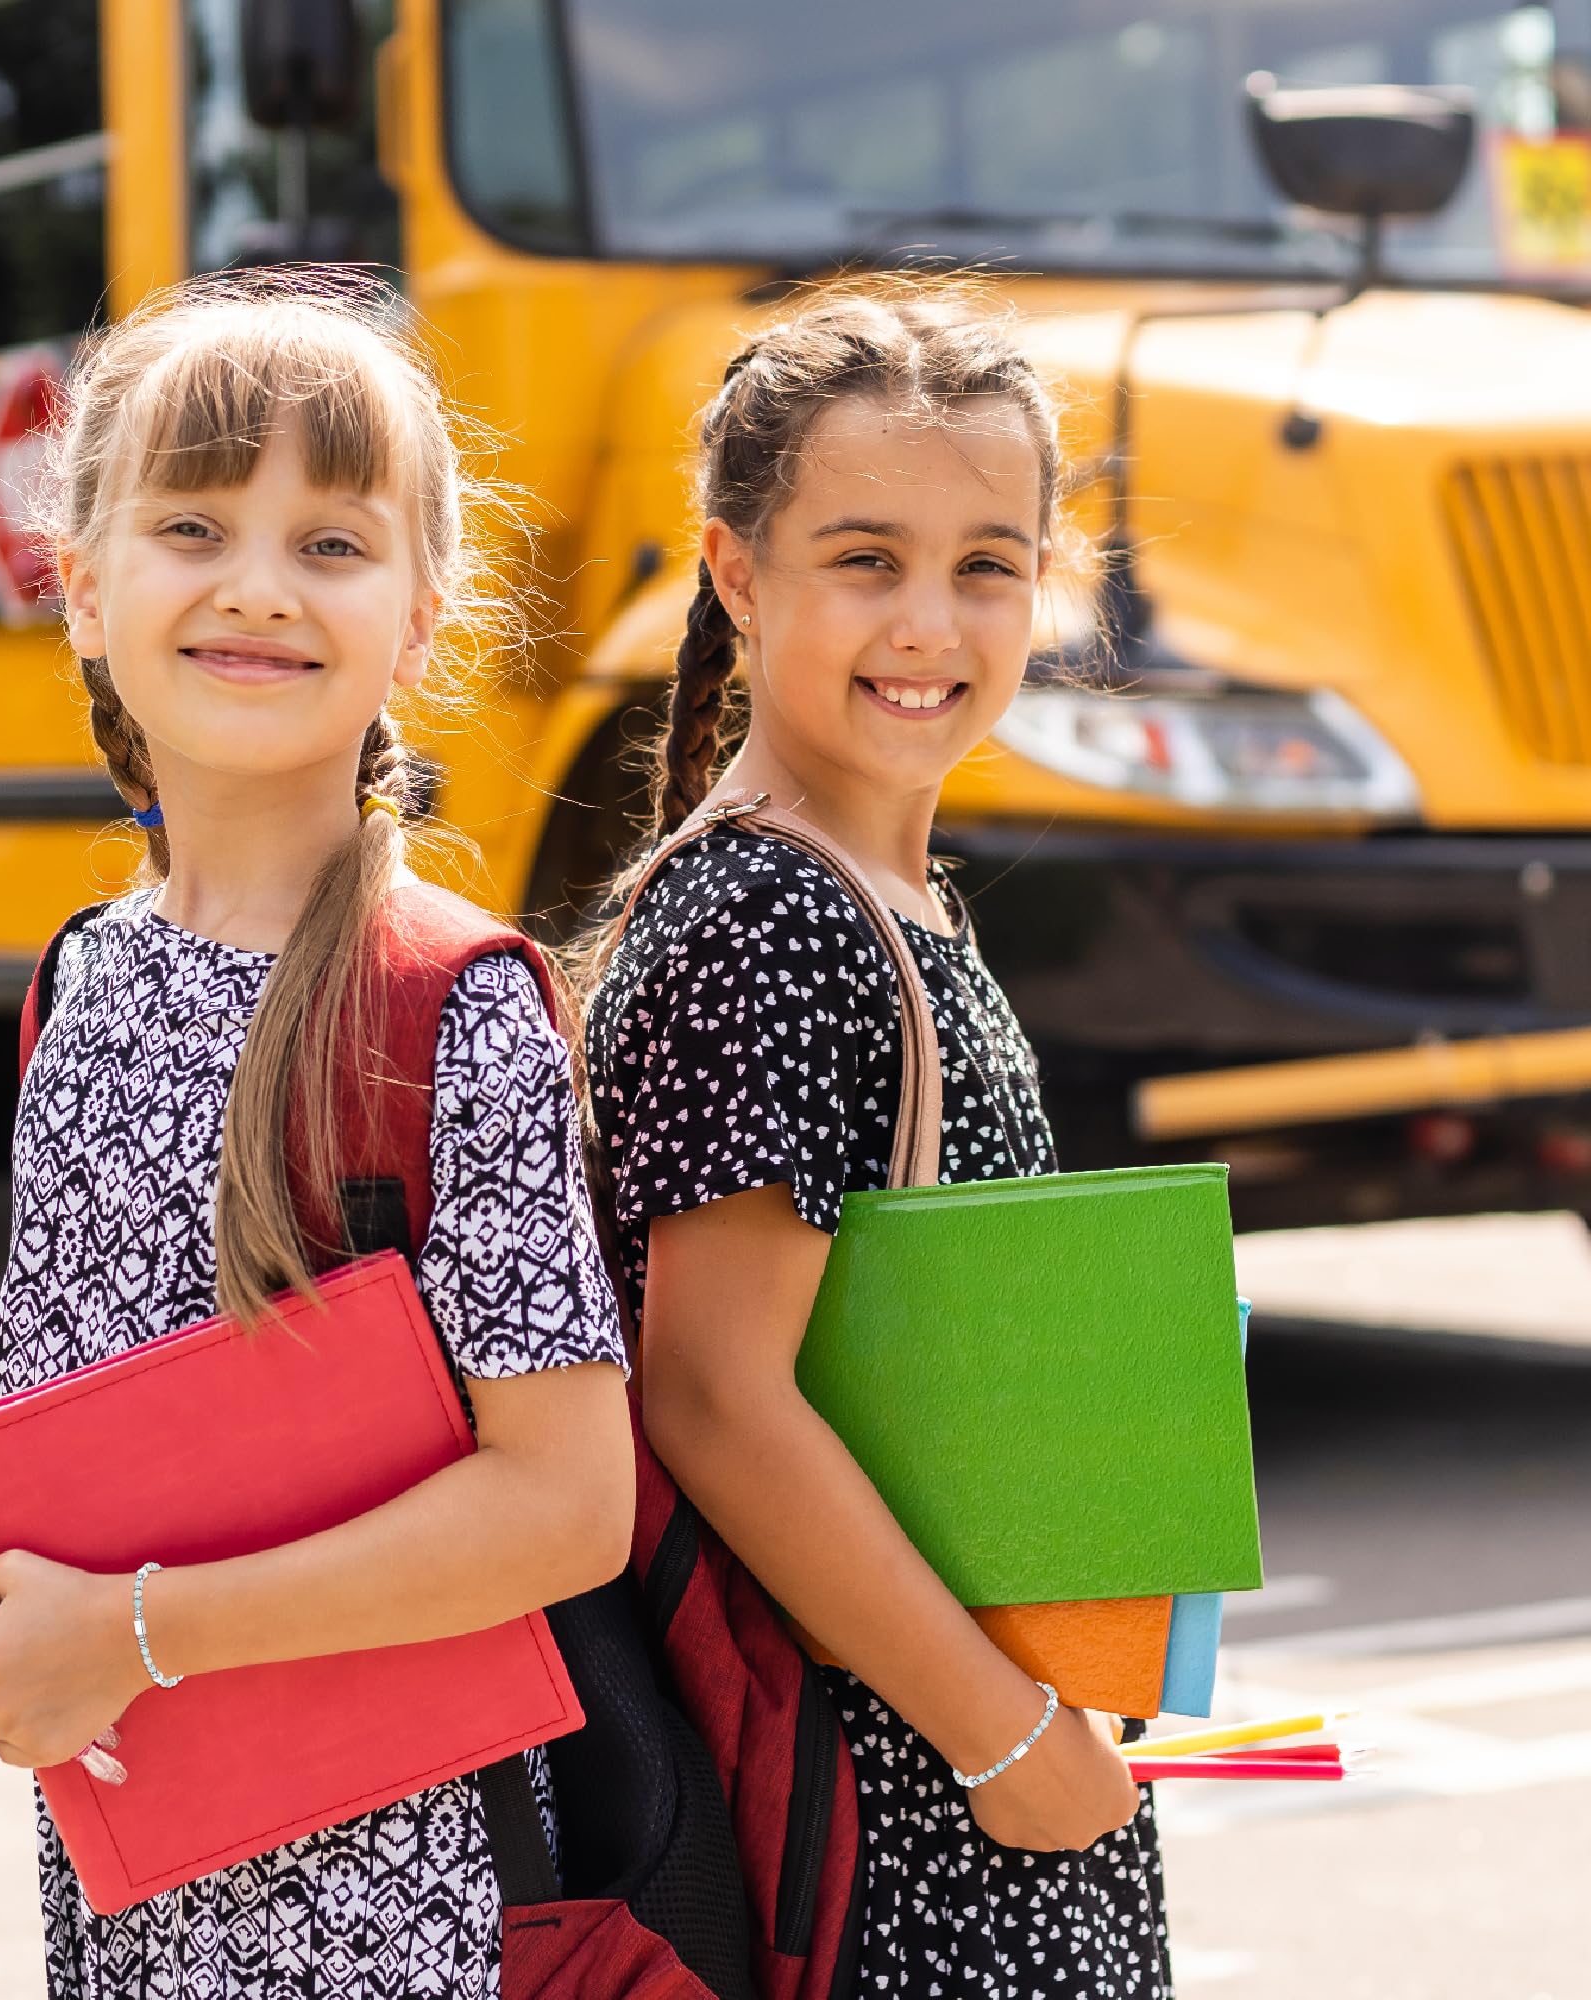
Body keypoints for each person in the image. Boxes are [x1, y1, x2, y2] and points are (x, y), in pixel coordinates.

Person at [0, 273, 633, 2000]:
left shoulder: (450, 1009)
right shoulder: (83, 980)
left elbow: (567, 1504)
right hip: (137, 1877)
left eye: (331, 542)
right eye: (192, 524)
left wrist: (139, 1634)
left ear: (423, 609)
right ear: (82, 588)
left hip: (409, 1912)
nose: (256, 585)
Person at [581, 283, 1170, 1996]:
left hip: (970, 1773)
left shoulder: (882, 902)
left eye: (989, 564)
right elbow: (715, 1395)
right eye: (865, 558)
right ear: (736, 572)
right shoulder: (769, 918)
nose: (931, 620)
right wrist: (1002, 1738)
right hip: (897, 1826)